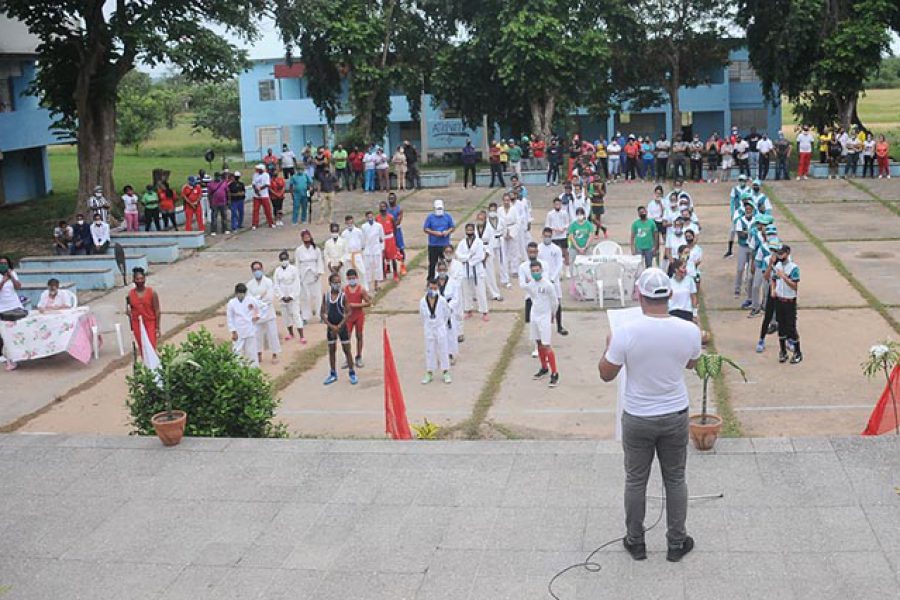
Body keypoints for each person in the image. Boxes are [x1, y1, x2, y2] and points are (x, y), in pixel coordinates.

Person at [598, 267, 701, 564]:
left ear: (639, 296)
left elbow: (606, 374)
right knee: (675, 478)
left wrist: (608, 348)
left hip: (638, 415)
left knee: (635, 480)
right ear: (669, 295)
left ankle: (636, 541)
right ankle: (676, 542)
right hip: (674, 412)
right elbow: (693, 364)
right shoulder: (689, 330)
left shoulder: (625, 332)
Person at [522, 260, 559, 386]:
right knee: (538, 342)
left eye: (537, 270)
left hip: (545, 316)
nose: (536, 273)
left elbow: (555, 302)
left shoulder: (548, 285)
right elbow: (531, 297)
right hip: (535, 315)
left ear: (541, 271)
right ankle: (544, 367)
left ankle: (554, 373)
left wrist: (552, 314)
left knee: (546, 344)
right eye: (533, 271)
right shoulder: (531, 285)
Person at [766, 244, 803, 364]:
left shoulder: (793, 268)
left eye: (781, 253)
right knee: (781, 327)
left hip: (789, 301)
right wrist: (773, 289)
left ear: (787, 253)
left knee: (791, 328)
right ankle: (783, 351)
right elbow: (773, 279)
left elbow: (794, 286)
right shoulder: (777, 266)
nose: (779, 255)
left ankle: (797, 352)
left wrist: (784, 277)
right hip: (779, 300)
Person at [321, 272, 358, 385]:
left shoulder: (343, 296)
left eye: (338, 282)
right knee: (332, 350)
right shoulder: (326, 296)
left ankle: (352, 373)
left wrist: (340, 326)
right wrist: (331, 326)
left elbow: (348, 312)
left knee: (347, 350)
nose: (337, 284)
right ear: (330, 283)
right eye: (335, 282)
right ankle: (333, 373)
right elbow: (322, 313)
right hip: (331, 327)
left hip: (342, 326)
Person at [246, 261, 281, 364]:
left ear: (262, 269)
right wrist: (257, 301)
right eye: (255, 269)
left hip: (269, 313)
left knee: (272, 334)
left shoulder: (268, 282)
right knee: (257, 335)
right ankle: (258, 354)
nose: (257, 271)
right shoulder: (249, 285)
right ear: (252, 271)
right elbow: (249, 300)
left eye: (259, 269)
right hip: (256, 315)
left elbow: (269, 298)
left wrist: (257, 301)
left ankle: (275, 354)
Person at [420, 278, 453, 384]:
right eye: (431, 288)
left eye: (435, 288)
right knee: (429, 350)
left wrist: (441, 324)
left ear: (438, 288)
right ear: (427, 288)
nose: (432, 290)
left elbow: (447, 313)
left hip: (440, 327)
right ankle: (429, 372)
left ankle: (445, 372)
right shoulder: (422, 302)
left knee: (443, 349)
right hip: (429, 327)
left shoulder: (442, 300)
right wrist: (429, 324)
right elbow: (422, 316)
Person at [455, 222, 489, 322]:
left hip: (477, 269)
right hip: (465, 269)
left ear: (474, 231)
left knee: (480, 291)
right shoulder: (462, 242)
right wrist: (467, 257)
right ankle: (468, 310)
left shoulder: (478, 242)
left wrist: (470, 260)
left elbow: (481, 256)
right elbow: (458, 254)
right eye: (467, 230)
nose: (469, 232)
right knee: (466, 291)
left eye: (471, 230)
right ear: (465, 231)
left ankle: (484, 311)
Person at [538, 227, 568, 336]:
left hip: (554, 280)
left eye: (549, 236)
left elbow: (559, 264)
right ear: (542, 236)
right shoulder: (538, 249)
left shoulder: (556, 249)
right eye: (545, 236)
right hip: (542, 279)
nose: (547, 238)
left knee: (557, 303)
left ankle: (559, 326)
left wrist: (553, 277)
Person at [126, 267, 160, 360]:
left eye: (141, 278)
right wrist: (128, 313)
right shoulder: (130, 294)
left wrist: (157, 327)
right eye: (137, 279)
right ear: (133, 280)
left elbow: (157, 311)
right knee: (142, 347)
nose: (140, 281)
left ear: (145, 279)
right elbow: (129, 309)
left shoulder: (152, 292)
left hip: (150, 322)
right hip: (137, 324)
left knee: (151, 345)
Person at [291, 230, 324, 324]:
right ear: (302, 239)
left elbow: (319, 261)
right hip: (303, 274)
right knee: (304, 296)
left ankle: (320, 315)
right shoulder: (299, 250)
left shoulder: (316, 249)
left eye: (308, 237)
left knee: (317, 296)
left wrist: (319, 272)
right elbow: (297, 263)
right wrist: (297, 275)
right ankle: (305, 316)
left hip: (314, 274)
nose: (306, 239)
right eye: (304, 237)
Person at [0, 257, 27, 370]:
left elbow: (18, 287)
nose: (3, 265)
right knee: (2, 332)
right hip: (2, 307)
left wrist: (12, 278)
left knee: (17, 329)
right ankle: (2, 354)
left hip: (15, 306)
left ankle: (19, 352)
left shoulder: (13, 273)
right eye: (1, 263)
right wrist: (4, 280)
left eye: (5, 263)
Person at [273, 250, 305, 343]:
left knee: (296, 314)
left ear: (288, 259)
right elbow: (276, 284)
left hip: (293, 295)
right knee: (286, 316)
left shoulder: (294, 269)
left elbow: (297, 283)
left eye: (285, 259)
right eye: (282, 259)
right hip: (282, 295)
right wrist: (282, 296)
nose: (284, 261)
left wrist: (291, 296)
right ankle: (291, 333)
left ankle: (301, 335)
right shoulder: (277, 271)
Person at [343, 268, 371, 369]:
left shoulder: (361, 290)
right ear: (347, 279)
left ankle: (358, 356)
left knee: (359, 336)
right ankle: (348, 358)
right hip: (348, 317)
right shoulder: (344, 290)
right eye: (350, 279)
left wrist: (355, 305)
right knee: (347, 338)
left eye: (353, 278)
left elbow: (368, 303)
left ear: (357, 278)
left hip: (359, 316)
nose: (352, 280)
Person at [226, 283, 259, 367]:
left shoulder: (251, 300)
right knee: (237, 351)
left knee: (251, 352)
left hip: (249, 329)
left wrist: (257, 316)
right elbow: (230, 318)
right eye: (239, 293)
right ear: (236, 293)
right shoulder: (232, 303)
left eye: (243, 293)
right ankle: (238, 370)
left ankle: (253, 370)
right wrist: (233, 331)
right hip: (238, 330)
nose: (241, 295)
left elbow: (260, 308)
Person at [423, 199, 456, 281]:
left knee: (446, 262)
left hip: (444, 244)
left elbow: (452, 227)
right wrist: (434, 233)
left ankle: (447, 278)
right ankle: (431, 279)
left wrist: (447, 232)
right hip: (433, 244)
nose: (439, 210)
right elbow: (425, 229)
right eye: (438, 209)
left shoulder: (447, 216)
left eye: (440, 209)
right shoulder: (430, 217)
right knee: (432, 264)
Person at [476, 209, 503, 300]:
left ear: (485, 219)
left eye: (482, 219)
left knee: (490, 274)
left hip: (487, 252)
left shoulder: (489, 229)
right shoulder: (474, 228)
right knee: (476, 274)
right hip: (476, 253)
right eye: (479, 219)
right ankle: (476, 294)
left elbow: (492, 242)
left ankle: (494, 293)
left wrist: (486, 254)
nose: (480, 220)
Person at [376, 201, 404, 282]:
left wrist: (393, 238)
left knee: (393, 257)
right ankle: (383, 274)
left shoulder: (390, 217)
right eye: (381, 206)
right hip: (382, 239)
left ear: (386, 208)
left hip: (390, 238)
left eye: (384, 206)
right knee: (382, 257)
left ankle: (395, 274)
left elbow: (394, 228)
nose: (382, 208)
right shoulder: (377, 218)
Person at [361, 210, 385, 292]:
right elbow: (363, 239)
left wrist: (381, 248)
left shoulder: (379, 226)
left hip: (376, 249)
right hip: (367, 250)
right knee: (367, 268)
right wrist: (363, 248)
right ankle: (367, 285)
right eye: (368, 217)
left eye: (371, 217)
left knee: (377, 267)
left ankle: (376, 284)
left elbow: (382, 238)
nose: (370, 218)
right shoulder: (364, 227)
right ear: (366, 218)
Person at [566, 207, 593, 274]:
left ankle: (588, 275)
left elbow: (591, 236)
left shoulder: (589, 225)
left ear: (584, 215)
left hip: (586, 247)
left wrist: (585, 247)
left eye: (581, 214)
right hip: (574, 248)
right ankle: (573, 275)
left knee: (589, 262)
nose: (579, 216)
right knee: (572, 262)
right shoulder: (573, 225)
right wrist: (578, 248)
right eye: (578, 214)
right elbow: (571, 237)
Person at [546, 197, 571, 266]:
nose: (557, 205)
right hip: (554, 236)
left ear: (561, 204)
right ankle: (554, 265)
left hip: (563, 235)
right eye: (556, 204)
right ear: (553, 205)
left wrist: (563, 229)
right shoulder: (550, 214)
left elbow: (567, 223)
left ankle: (567, 266)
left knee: (565, 251)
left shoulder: (564, 213)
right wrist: (554, 229)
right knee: (554, 251)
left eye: (559, 204)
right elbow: (547, 225)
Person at [386, 192, 407, 266]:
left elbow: (398, 220)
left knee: (400, 247)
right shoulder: (386, 209)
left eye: (392, 198)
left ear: (395, 199)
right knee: (388, 248)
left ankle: (402, 264)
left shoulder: (399, 209)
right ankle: (388, 265)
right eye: (389, 198)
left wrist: (391, 225)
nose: (391, 200)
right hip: (388, 231)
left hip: (396, 230)